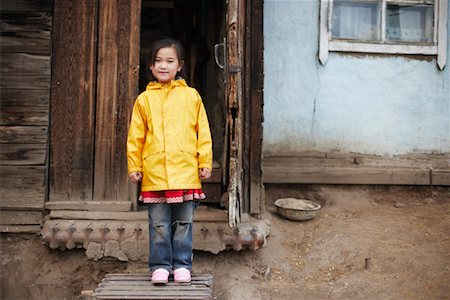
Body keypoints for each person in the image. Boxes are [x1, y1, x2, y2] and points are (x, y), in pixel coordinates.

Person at [127, 38, 213, 284]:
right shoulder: (144, 99)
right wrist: (134, 165)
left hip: (186, 172)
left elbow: (203, 131)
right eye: (158, 61)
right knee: (159, 224)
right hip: (155, 174)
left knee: (184, 221)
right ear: (151, 67)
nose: (163, 66)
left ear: (180, 66)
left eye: (169, 61)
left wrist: (204, 161)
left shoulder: (191, 96)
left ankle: (183, 264)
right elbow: (136, 136)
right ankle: (160, 266)